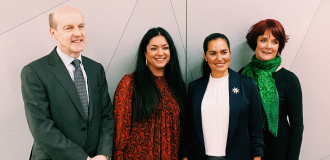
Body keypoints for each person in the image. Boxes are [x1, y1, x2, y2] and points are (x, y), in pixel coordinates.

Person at [21, 6, 113, 160]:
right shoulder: (34, 71)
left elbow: (106, 116)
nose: (78, 33)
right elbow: (41, 128)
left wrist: (103, 154)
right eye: (69, 28)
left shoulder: (96, 69)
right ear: (53, 32)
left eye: (81, 26)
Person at [182, 33, 264, 160]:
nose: (219, 58)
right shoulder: (194, 87)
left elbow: (256, 131)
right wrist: (185, 157)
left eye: (223, 52)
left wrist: (257, 157)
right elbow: (188, 130)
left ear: (230, 53)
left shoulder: (247, 85)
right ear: (205, 56)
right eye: (213, 53)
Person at [112, 27, 186, 159]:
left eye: (165, 47)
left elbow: (182, 131)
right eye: (153, 48)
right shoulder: (129, 83)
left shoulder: (179, 86)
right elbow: (120, 130)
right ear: (145, 52)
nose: (160, 53)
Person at [239, 19, 303, 160]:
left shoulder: (289, 79)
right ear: (254, 42)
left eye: (275, 42)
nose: (269, 46)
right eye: (263, 40)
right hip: (247, 148)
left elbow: (297, 126)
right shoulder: (242, 75)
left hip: (278, 150)